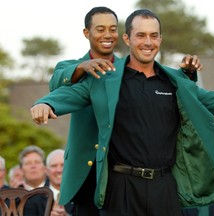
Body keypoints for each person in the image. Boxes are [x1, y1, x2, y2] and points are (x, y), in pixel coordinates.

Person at [30, 9, 214, 216]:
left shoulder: (174, 81)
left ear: (160, 40)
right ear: (128, 39)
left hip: (165, 187)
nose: (148, 42)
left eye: (154, 36)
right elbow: (71, 94)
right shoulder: (106, 78)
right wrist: (47, 104)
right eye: (141, 35)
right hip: (120, 188)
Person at [48, 6, 202, 216]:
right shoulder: (72, 67)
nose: (107, 35)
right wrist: (82, 67)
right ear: (87, 33)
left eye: (112, 29)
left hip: (120, 178)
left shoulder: (128, 70)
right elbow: (56, 85)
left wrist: (188, 75)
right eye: (100, 29)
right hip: (86, 174)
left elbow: (160, 90)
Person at [46, 149, 69, 216]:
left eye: (62, 165)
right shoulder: (35, 198)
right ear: (46, 171)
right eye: (54, 166)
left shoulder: (81, 196)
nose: (59, 170)